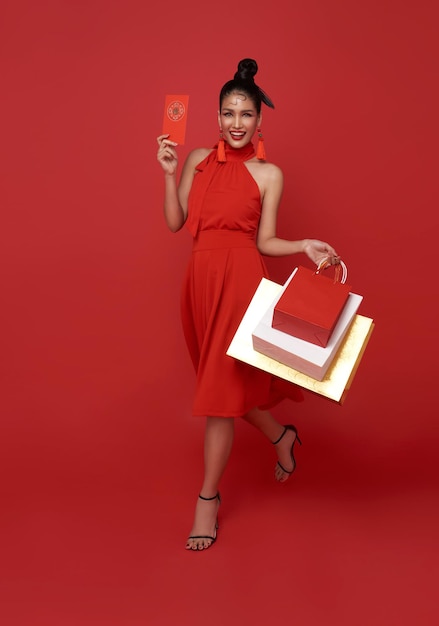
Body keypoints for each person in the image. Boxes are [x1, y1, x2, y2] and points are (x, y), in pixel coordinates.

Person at [156, 58, 340, 551]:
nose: (237, 123)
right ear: (217, 118)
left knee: (218, 398)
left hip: (241, 287)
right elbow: (176, 224)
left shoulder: (269, 174)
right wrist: (169, 176)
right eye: (228, 113)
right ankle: (281, 437)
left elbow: (265, 241)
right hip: (199, 284)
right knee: (225, 387)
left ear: (260, 121)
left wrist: (304, 245)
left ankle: (207, 502)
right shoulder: (195, 158)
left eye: (247, 115)